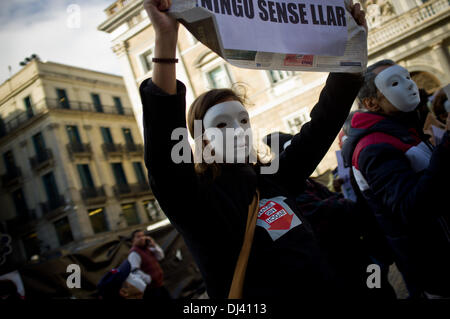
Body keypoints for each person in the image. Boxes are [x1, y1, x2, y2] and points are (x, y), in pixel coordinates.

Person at [141, 0, 368, 298]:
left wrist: (351, 49)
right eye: (221, 125)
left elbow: (322, 124)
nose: (237, 131)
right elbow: (163, 156)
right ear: (203, 140)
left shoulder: (275, 177)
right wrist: (166, 39)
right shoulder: (195, 200)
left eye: (243, 120)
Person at [341, 59, 450, 298]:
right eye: (394, 82)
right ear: (370, 103)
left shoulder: (404, 129)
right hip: (438, 270)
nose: (410, 86)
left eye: (408, 77)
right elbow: (411, 208)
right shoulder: (373, 147)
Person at [128, 229, 171, 299]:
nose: (142, 238)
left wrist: (154, 245)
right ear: (133, 240)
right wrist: (149, 279)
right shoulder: (134, 253)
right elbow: (134, 271)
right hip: (150, 289)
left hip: (159, 285)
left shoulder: (148, 248)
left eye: (143, 236)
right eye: (138, 237)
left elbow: (161, 256)